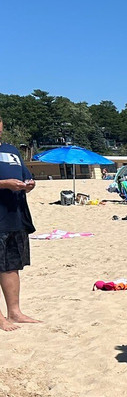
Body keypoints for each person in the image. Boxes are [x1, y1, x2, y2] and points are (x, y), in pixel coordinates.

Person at [0, 116, 39, 331]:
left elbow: (26, 175)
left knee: (11, 266)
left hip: (15, 216)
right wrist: (5, 183)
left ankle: (14, 312)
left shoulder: (12, 150)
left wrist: (29, 184)